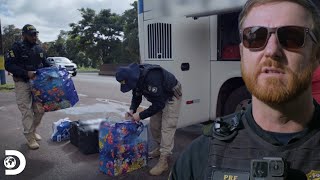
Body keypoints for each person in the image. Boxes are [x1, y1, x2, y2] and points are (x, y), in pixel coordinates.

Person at [170, 0, 320, 179]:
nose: (272, 51)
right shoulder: (198, 158)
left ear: (316, 55)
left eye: (291, 37)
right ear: (242, 54)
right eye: (255, 37)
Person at [115, 63, 182, 176]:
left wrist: (140, 116)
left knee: (167, 127)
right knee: (154, 126)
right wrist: (132, 110)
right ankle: (160, 147)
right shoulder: (135, 78)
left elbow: (159, 104)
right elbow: (136, 95)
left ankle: (164, 160)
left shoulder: (152, 77)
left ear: (132, 78)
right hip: (158, 98)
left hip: (171, 96)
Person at [5, 24, 49, 150]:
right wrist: (25, 73)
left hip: (37, 84)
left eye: (36, 34)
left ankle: (33, 130)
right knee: (27, 111)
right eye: (32, 34)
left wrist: (54, 70)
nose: (34, 36)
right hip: (22, 82)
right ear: (24, 35)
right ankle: (29, 137)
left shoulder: (38, 48)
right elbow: (8, 65)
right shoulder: (16, 47)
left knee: (40, 110)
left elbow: (45, 63)